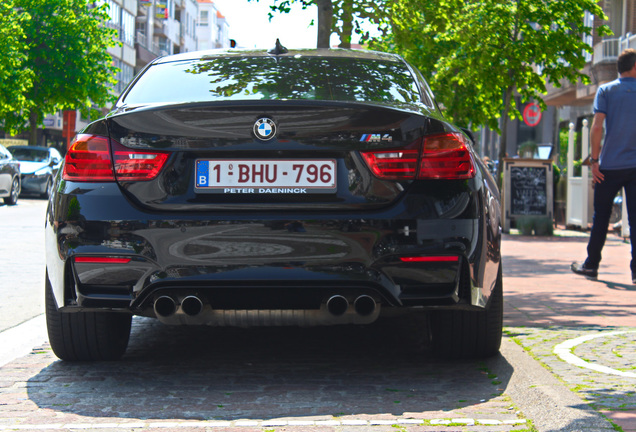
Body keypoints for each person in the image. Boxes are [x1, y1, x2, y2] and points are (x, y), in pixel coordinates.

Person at [571, 48, 636, 283]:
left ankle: (591, 265)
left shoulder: (606, 90)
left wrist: (595, 161)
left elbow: (597, 126)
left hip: (609, 166)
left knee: (601, 216)